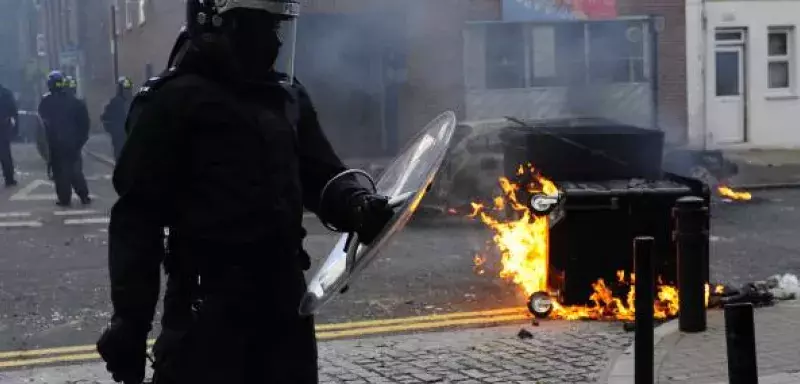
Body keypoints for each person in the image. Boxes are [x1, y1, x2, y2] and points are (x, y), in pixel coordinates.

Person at [95, 1, 395, 384]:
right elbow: (137, 219)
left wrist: (355, 203)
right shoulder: (172, 101)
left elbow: (321, 172)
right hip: (208, 309)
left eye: (277, 27)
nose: (275, 41)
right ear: (222, 24)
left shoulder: (286, 96)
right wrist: (129, 321)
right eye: (263, 25)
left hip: (284, 304)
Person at [38, 71, 91, 206]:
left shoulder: (46, 102)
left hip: (55, 144)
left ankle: (64, 199)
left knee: (59, 173)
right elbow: (84, 124)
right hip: (73, 143)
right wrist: (80, 141)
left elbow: (41, 125)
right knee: (75, 171)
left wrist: (45, 146)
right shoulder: (75, 101)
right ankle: (84, 195)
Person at [101, 77, 133, 160]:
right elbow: (106, 119)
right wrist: (114, 132)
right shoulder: (115, 102)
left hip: (131, 138)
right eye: (125, 89)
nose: (127, 91)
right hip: (121, 138)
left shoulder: (134, 101)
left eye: (128, 89)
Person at [0, 82, 18, 187]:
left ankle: (9, 178)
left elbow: (13, 110)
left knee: (5, 154)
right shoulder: (6, 93)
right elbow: (13, 110)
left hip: (3, 126)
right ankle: (9, 178)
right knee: (5, 154)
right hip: (4, 126)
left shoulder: (6, 94)